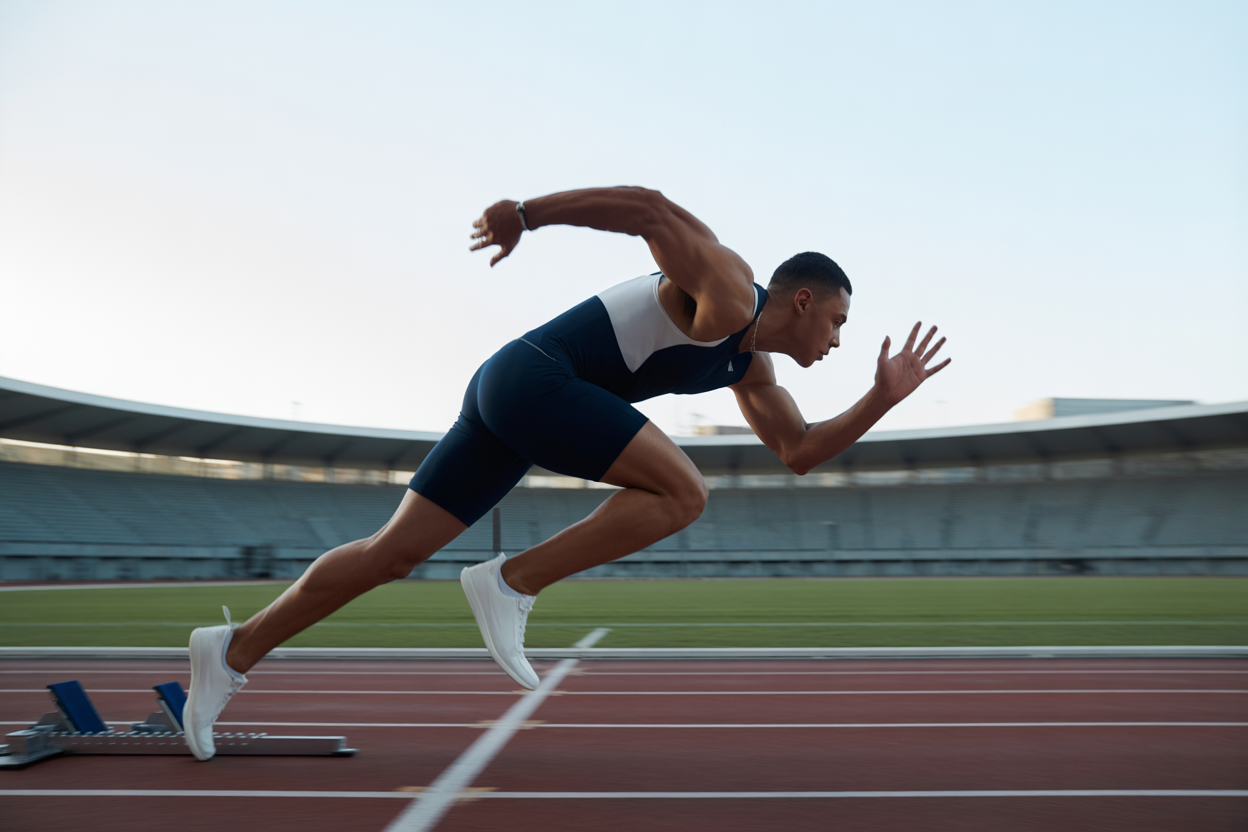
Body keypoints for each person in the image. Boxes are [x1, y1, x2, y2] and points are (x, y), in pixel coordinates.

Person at [183, 186, 950, 760]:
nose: (839, 341)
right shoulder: (727, 288)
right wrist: (528, 211)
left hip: (515, 398)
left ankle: (231, 652)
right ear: (806, 300)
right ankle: (511, 582)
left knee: (393, 553)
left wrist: (880, 398)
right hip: (533, 380)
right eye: (840, 323)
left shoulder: (747, 368)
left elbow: (800, 452)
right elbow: (649, 209)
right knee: (684, 493)